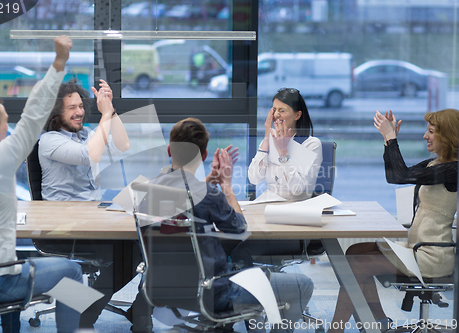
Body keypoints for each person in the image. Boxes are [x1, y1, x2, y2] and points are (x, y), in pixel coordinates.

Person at [0, 33, 83, 333]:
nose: (8, 126)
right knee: (75, 272)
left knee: (19, 264)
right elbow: (34, 114)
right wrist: (59, 61)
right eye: (4, 122)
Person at [142, 117, 314, 332]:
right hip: (214, 293)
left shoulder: (147, 193)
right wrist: (226, 187)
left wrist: (207, 183)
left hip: (164, 290)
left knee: (239, 267)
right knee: (303, 285)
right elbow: (241, 229)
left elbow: (183, 202)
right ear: (204, 155)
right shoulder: (208, 196)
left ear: (169, 150)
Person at [328, 109, 459, 333]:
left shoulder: (453, 169)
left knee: (357, 265)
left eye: (431, 132)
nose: (425, 136)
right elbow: (395, 176)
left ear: (448, 136)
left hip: (432, 254)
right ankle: (380, 323)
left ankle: (336, 330)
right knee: (355, 252)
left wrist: (392, 139)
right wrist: (388, 142)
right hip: (416, 248)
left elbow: (400, 175)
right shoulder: (434, 165)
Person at [38, 78, 133, 329]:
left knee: (137, 249)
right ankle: (83, 314)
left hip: (91, 220)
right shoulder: (49, 141)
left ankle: (86, 311)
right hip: (63, 228)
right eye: (72, 108)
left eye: (81, 106)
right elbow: (91, 155)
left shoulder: (87, 135)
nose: (79, 111)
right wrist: (104, 117)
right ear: (56, 112)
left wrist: (110, 110)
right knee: (128, 255)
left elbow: (123, 145)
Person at [232, 88, 323, 268]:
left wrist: (283, 153)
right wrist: (267, 138)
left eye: (283, 110)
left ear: (297, 115)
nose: (277, 115)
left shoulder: (311, 144)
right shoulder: (271, 139)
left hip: (292, 221)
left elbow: (298, 190)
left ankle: (259, 290)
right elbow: (254, 178)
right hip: (264, 212)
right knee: (225, 241)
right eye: (274, 110)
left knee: (240, 251)